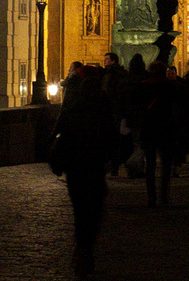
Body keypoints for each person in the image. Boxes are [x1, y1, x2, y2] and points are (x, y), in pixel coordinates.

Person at [50, 66, 115, 277]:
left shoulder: (72, 110)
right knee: (94, 207)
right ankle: (87, 245)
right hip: (94, 168)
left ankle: (82, 245)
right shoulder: (104, 113)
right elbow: (114, 140)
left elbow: (56, 134)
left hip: (76, 169)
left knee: (79, 208)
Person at [135, 61, 178, 205]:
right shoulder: (170, 87)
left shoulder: (142, 86)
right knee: (166, 164)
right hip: (166, 128)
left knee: (150, 164)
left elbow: (137, 108)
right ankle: (164, 195)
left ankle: (151, 196)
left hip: (148, 128)